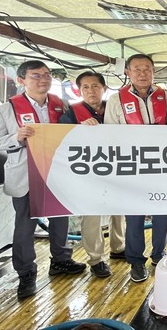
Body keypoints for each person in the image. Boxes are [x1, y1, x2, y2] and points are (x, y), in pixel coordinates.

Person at [0, 60, 86, 299]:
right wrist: (15, 137)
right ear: (21, 80)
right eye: (36, 75)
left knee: (60, 219)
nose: (43, 79)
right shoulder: (5, 110)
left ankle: (61, 260)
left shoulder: (62, 105)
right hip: (25, 174)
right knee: (25, 226)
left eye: (47, 75)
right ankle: (26, 272)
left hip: (56, 172)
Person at [105, 54, 167, 283]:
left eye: (147, 69)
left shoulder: (165, 96)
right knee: (134, 216)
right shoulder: (116, 100)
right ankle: (135, 261)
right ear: (128, 72)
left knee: (162, 212)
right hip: (132, 165)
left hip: (162, 164)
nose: (142, 73)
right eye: (137, 69)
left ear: (153, 71)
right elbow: (110, 134)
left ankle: (159, 254)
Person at [58, 72, 125, 278]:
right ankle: (96, 259)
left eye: (95, 86)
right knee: (92, 215)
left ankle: (118, 247)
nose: (91, 91)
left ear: (104, 88)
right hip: (89, 173)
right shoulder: (71, 113)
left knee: (120, 208)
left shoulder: (115, 107)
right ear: (79, 91)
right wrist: (80, 129)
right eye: (85, 87)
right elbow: (62, 139)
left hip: (117, 167)